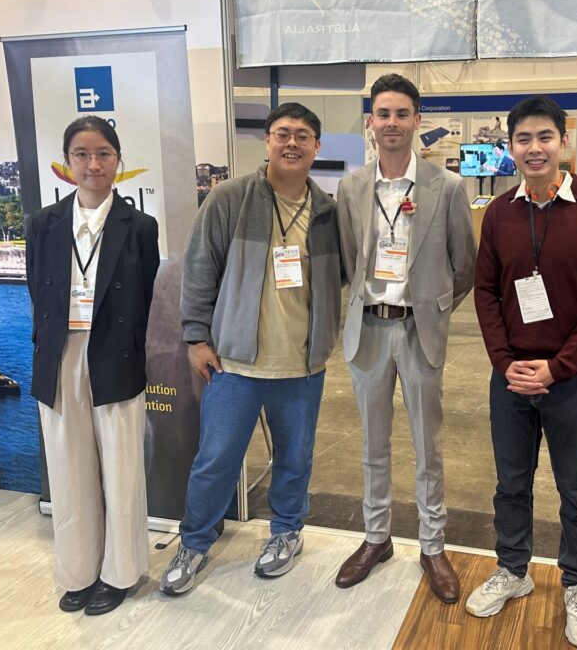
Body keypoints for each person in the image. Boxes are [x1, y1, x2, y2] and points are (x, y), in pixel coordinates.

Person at [161, 103, 341, 595]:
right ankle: (194, 542)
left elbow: (341, 276)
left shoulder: (328, 212)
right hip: (234, 362)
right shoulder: (231, 198)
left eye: (302, 135)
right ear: (267, 141)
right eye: (283, 133)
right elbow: (199, 267)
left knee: (295, 458)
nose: (292, 143)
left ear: (317, 147)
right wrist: (196, 338)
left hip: (302, 364)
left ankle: (287, 532)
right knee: (216, 459)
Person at [469, 96, 577, 648]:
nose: (534, 148)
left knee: (575, 486)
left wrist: (559, 368)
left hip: (571, 380)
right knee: (510, 483)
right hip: (511, 377)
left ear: (563, 141)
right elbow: (485, 291)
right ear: (510, 147)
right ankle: (513, 569)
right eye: (523, 139)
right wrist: (504, 362)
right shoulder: (499, 213)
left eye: (544, 137)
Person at [335, 73, 476, 603]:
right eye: (383, 113)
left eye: (401, 113)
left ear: (418, 120)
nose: (391, 123)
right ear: (370, 122)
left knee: (427, 445)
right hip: (369, 330)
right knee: (372, 444)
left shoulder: (448, 187)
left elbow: (465, 266)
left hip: (420, 331)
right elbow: (350, 259)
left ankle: (432, 545)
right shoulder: (351, 188)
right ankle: (376, 538)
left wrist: (434, 309)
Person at [25, 115, 160, 615]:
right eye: (81, 154)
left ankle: (119, 573)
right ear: (67, 163)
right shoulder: (43, 224)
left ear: (118, 160)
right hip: (60, 356)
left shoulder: (139, 226)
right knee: (68, 470)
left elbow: (146, 298)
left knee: (122, 471)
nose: (93, 164)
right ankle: (79, 572)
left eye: (103, 153)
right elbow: (37, 290)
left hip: (115, 355)